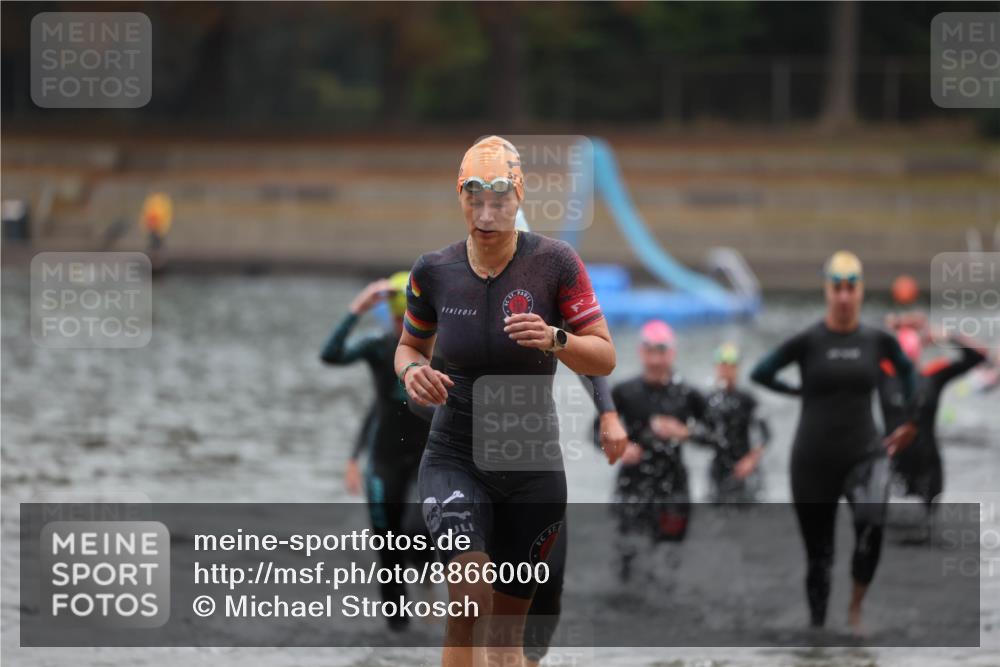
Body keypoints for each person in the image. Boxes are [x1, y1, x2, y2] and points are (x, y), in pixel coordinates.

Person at [395, 135, 619, 667]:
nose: (487, 213)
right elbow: (409, 347)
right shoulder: (433, 271)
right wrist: (412, 372)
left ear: (519, 200)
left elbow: (605, 357)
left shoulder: (555, 264)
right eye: (475, 199)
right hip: (455, 455)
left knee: (504, 646)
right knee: (470, 601)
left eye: (499, 200)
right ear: (462, 199)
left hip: (531, 464)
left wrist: (556, 339)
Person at [750, 251, 918, 632]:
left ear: (860, 291)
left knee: (872, 522)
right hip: (812, 461)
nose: (844, 296)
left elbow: (909, 373)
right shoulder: (808, 341)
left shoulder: (877, 340)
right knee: (819, 558)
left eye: (851, 288)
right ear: (827, 291)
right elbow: (760, 372)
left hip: (865, 453)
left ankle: (856, 608)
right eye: (837, 288)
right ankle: (819, 635)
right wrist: (797, 391)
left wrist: (910, 420)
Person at [320, 271, 432, 632]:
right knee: (388, 550)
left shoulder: (442, 352)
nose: (404, 328)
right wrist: (357, 308)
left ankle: (427, 566)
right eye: (399, 320)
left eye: (411, 321)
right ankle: (398, 634)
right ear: (392, 318)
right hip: (383, 462)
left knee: (419, 530)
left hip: (426, 461)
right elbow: (331, 356)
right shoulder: (378, 346)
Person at [610, 320, 718, 582]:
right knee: (630, 555)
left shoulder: (688, 395)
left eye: (662, 352)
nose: (656, 360)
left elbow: (718, 437)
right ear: (641, 352)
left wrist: (686, 432)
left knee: (668, 556)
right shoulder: (624, 392)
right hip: (633, 484)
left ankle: (664, 607)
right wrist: (620, 446)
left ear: (672, 353)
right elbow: (597, 431)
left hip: (673, 486)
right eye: (650, 351)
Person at [880, 312, 987, 508]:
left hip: (927, 468)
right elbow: (859, 349)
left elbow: (978, 356)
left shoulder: (932, 376)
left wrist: (944, 335)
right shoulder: (882, 374)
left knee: (929, 532)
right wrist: (893, 326)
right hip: (893, 469)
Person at [703, 342, 770, 504]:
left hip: (744, 464)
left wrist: (751, 460)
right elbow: (699, 434)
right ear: (716, 368)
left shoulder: (747, 399)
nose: (726, 370)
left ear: (737, 369)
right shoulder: (708, 400)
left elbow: (766, 434)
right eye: (723, 365)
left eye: (731, 366)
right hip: (718, 466)